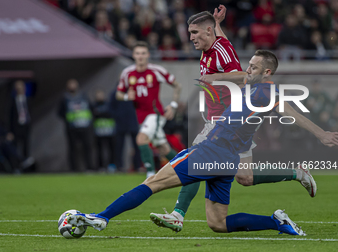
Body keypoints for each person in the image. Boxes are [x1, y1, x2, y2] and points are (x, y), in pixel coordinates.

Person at [67, 50, 338, 236]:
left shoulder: (266, 90)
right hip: (228, 159)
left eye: (254, 66)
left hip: (211, 150)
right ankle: (276, 222)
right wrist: (217, 67)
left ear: (267, 71)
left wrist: (321, 134)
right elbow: (239, 77)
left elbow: (290, 112)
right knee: (218, 223)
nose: (248, 69)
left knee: (152, 183)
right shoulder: (253, 86)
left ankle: (102, 217)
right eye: (249, 64)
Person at [150, 6, 317, 232]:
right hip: (233, 126)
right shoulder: (215, 47)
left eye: (195, 33)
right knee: (245, 178)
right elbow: (227, 49)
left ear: (206, 31)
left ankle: (177, 214)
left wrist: (216, 76)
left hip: (226, 122)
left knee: (197, 160)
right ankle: (297, 174)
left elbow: (242, 74)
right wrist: (218, 24)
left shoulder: (220, 51)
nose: (192, 38)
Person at [116, 41, 181, 178]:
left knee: (141, 139)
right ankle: (185, 169)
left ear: (148, 55)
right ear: (133, 55)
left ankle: (150, 175)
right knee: (163, 148)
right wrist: (127, 96)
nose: (140, 56)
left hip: (155, 113)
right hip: (141, 116)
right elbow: (118, 94)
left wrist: (173, 105)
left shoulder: (156, 70)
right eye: (138, 53)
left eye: (143, 53)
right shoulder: (127, 73)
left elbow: (177, 85)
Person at [57, 79, 94, 172]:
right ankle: (73, 169)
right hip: (72, 128)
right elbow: (60, 113)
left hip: (85, 126)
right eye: (70, 85)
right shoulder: (64, 98)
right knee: (73, 148)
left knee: (88, 147)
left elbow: (91, 109)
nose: (72, 87)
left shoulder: (84, 96)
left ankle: (89, 168)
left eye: (74, 85)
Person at [92, 89, 116, 171]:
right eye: (98, 95)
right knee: (99, 150)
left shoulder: (109, 104)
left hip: (110, 131)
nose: (100, 97)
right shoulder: (93, 105)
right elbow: (93, 115)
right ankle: (101, 167)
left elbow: (111, 113)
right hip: (98, 132)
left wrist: (100, 113)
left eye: (101, 94)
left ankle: (111, 166)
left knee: (111, 149)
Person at [9, 80, 31, 159]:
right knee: (15, 148)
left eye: (21, 87)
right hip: (16, 127)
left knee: (26, 147)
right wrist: (10, 131)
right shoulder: (12, 101)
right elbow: (10, 117)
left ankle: (26, 165)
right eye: (17, 88)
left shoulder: (28, 100)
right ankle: (17, 166)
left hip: (26, 126)